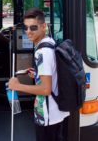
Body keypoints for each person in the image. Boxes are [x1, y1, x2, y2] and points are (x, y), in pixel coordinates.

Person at [8, 8, 69, 141]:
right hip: (55, 112)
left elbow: (45, 90)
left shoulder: (42, 52)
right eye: (26, 27)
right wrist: (37, 75)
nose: (28, 31)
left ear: (43, 26)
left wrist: (17, 86)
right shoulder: (50, 42)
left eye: (33, 27)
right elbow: (51, 74)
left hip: (47, 115)